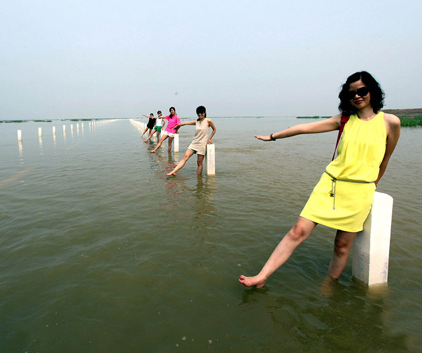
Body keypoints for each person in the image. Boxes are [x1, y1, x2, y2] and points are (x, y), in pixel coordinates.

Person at [239, 71, 401, 288]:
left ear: (372, 91)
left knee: (342, 246)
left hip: (359, 193)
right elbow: (303, 128)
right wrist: (272, 136)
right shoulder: (344, 120)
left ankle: (328, 285)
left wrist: (371, 186)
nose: (357, 96)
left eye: (362, 91)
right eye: (351, 93)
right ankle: (262, 276)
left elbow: (385, 160)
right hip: (330, 185)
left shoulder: (391, 123)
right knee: (298, 231)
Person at [167, 106, 217, 176]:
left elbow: (214, 129)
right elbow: (184, 123)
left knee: (199, 163)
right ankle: (174, 171)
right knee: (185, 157)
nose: (200, 114)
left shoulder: (208, 121)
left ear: (204, 113)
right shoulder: (196, 121)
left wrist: (209, 139)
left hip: (202, 145)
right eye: (198, 113)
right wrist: (177, 126)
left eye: (201, 113)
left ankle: (199, 179)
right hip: (194, 143)